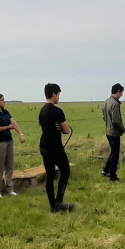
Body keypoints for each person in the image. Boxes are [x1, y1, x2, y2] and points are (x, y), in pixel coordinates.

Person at [38, 83, 74, 212]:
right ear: (53, 94)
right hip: (55, 147)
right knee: (65, 171)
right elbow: (66, 130)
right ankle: (59, 202)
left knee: (50, 174)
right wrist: (61, 126)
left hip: (44, 145)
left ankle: (52, 205)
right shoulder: (57, 111)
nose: (59, 97)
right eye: (58, 94)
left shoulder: (42, 110)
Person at [0, 94, 25, 199]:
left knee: (9, 166)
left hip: (9, 141)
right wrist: (8, 127)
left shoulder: (6, 112)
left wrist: (21, 134)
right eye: (2, 100)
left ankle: (9, 189)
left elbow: (14, 123)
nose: (4, 101)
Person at [101, 83, 125, 182]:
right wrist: (122, 129)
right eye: (121, 93)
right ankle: (113, 176)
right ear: (118, 91)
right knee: (115, 155)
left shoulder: (107, 101)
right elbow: (115, 120)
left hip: (108, 131)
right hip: (114, 133)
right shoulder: (115, 104)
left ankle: (105, 170)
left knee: (113, 152)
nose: (122, 95)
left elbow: (104, 117)